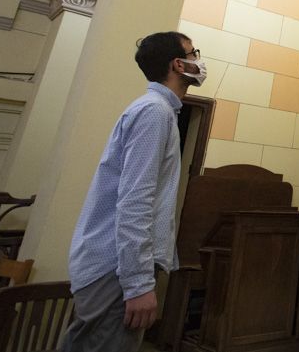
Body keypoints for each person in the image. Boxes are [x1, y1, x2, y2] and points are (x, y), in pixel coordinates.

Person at [60, 32, 207, 352]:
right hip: (116, 269)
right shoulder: (154, 112)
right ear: (178, 64)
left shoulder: (159, 110)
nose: (199, 60)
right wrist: (138, 284)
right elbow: (136, 200)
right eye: (193, 53)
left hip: (117, 267)